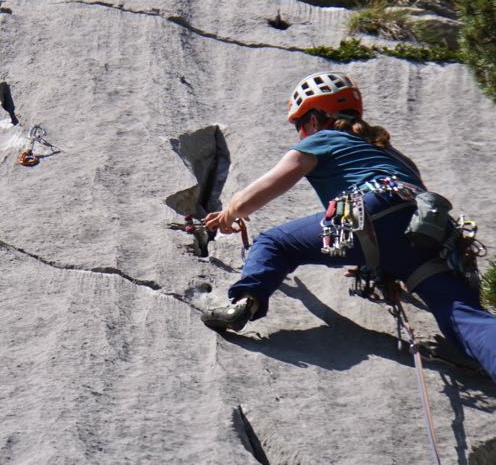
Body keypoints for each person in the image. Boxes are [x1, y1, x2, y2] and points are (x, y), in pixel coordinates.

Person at [201, 71, 496, 382]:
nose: (301, 132)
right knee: (463, 314)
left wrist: (230, 212)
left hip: (369, 212)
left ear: (314, 119)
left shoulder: (323, 138)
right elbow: (400, 221)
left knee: (276, 243)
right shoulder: (397, 157)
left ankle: (245, 302)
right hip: (425, 233)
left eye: (300, 124)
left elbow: (270, 184)